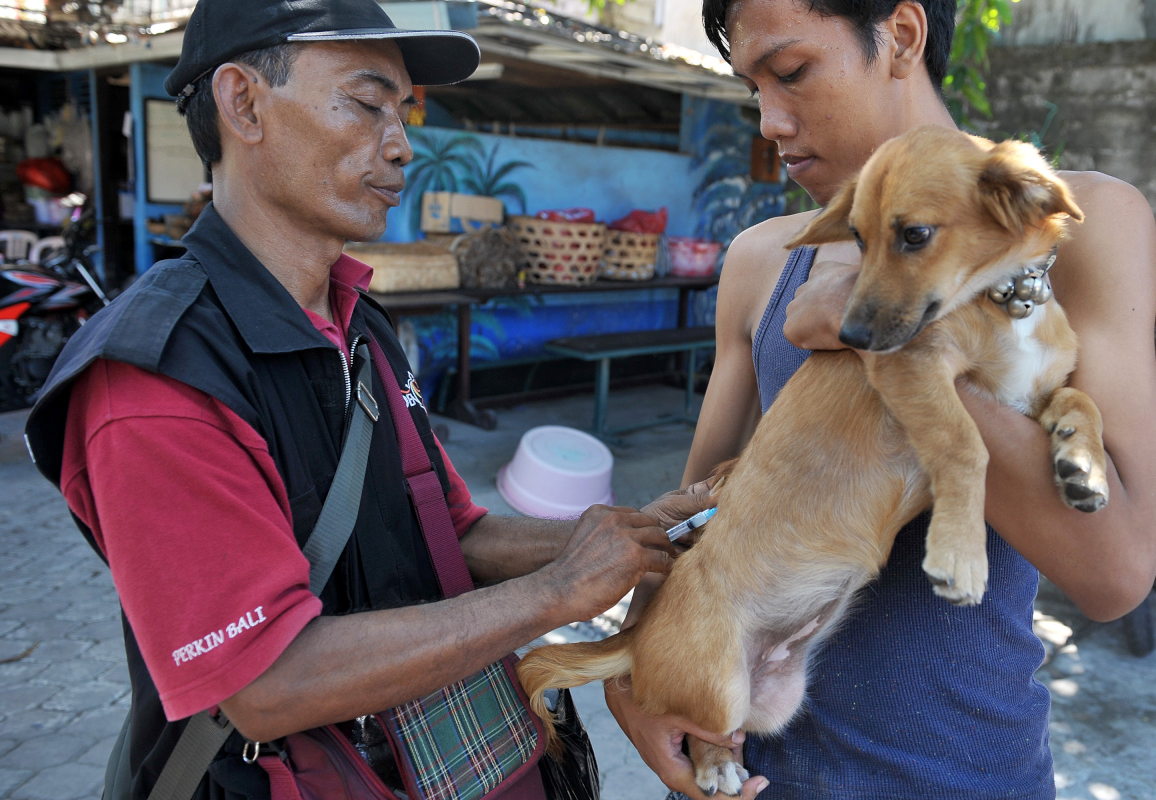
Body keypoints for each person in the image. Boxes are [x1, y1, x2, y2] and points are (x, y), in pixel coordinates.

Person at [23, 1, 713, 798]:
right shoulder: (156, 377)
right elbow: (263, 685)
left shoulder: (358, 321)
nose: (402, 144)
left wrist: (618, 540)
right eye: (366, 103)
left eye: (404, 111)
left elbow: (449, 529)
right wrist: (554, 594)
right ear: (242, 102)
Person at [604, 1, 1156, 798]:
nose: (768, 120)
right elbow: (693, 516)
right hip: (763, 769)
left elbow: (1114, 572)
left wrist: (878, 326)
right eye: (751, 89)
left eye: (792, 72)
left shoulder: (1074, 222)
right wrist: (635, 668)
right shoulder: (764, 259)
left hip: (967, 772)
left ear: (900, 37)